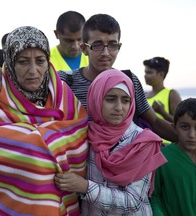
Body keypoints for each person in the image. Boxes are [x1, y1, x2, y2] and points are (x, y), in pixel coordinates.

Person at [0, 13, 177, 142]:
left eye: (112, 44)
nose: (105, 52)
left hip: (123, 173)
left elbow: (155, 123)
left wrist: (189, 141)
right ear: (84, 48)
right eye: (97, 44)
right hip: (76, 173)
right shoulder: (63, 82)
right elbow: (25, 85)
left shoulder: (128, 81)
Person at [0, 26, 88, 216]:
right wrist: (39, 143)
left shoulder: (62, 93)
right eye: (23, 62)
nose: (33, 70)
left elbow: (80, 137)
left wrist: (23, 141)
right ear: (10, 62)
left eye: (40, 61)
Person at [55, 69, 167, 215]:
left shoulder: (143, 142)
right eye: (110, 99)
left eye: (125, 100)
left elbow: (132, 201)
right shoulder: (83, 136)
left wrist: (86, 187)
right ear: (96, 98)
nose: (119, 108)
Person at [150, 98, 196, 216]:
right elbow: (154, 196)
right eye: (185, 127)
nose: (192, 135)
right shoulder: (162, 157)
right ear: (174, 128)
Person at [143, 56, 182, 144]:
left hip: (164, 145)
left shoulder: (171, 94)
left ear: (161, 74)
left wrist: (163, 113)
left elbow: (182, 124)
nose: (145, 75)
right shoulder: (144, 95)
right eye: (145, 72)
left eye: (149, 72)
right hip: (145, 143)